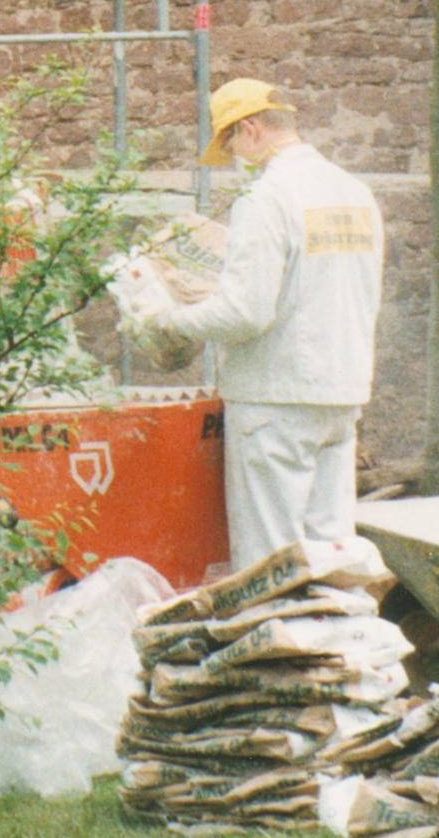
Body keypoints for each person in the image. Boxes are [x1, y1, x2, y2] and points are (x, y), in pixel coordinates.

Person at [120, 78, 384, 567]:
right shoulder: (354, 192)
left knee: (272, 563)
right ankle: (344, 619)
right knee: (332, 554)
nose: (234, 159)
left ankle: (281, 620)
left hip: (274, 399)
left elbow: (245, 313)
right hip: (341, 392)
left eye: (230, 145)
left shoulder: (267, 198)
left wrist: (171, 319)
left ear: (250, 129)